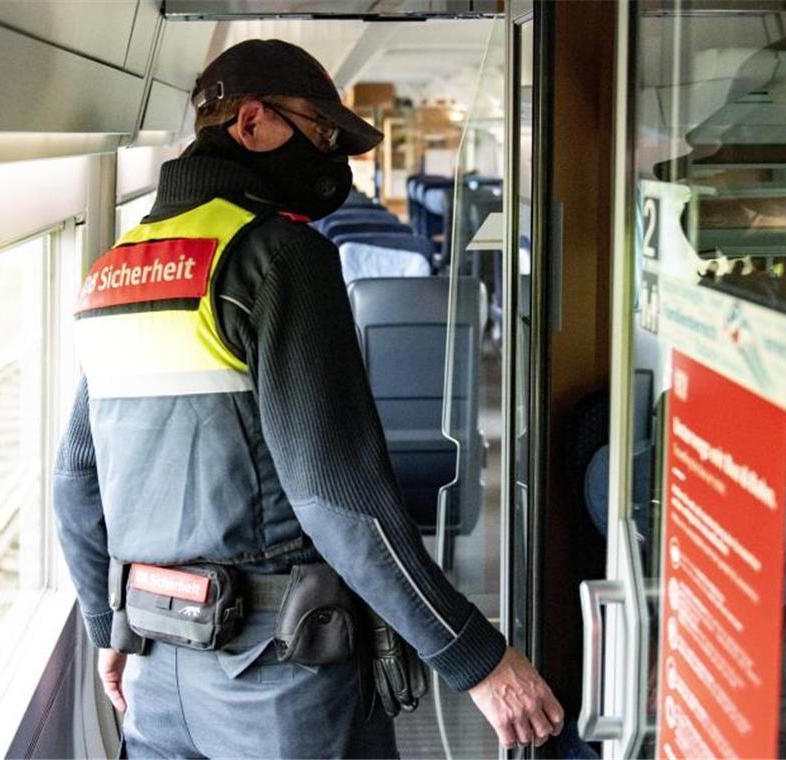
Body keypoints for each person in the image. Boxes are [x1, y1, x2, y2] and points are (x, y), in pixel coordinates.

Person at [53, 38, 563, 757]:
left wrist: (111, 628)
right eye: (320, 133)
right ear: (253, 121)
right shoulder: (280, 256)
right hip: (279, 673)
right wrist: (474, 656)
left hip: (158, 674)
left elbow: (76, 484)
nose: (331, 158)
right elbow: (339, 498)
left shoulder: (113, 273)